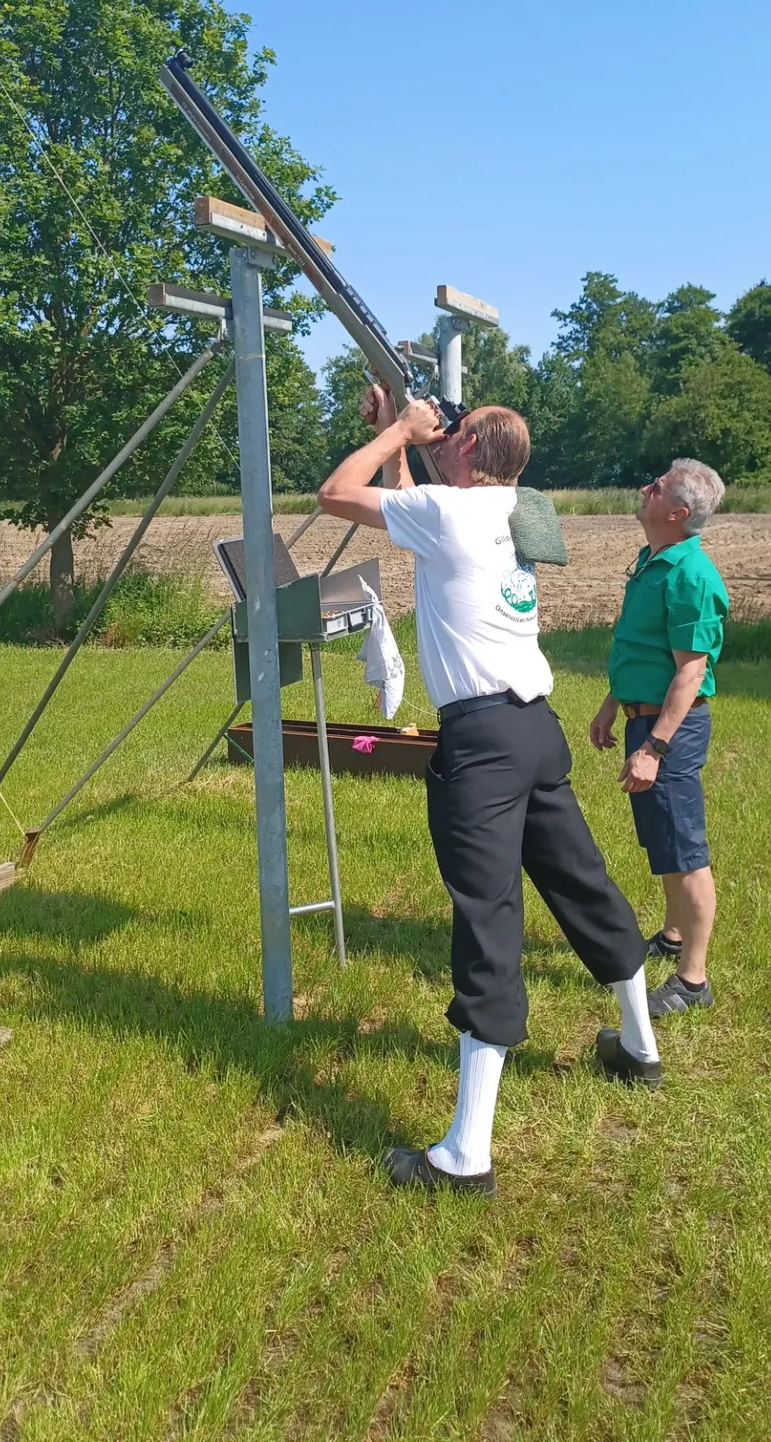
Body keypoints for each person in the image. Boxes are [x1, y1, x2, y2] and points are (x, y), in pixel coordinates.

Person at [319, 388, 660, 1198]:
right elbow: (412, 503)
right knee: (583, 882)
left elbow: (336, 494)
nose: (444, 437)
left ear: (470, 452)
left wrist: (399, 430)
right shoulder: (508, 510)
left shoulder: (452, 512)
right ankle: (640, 1048)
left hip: (482, 743)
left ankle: (466, 1153)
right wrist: (398, 437)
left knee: (486, 920)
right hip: (535, 728)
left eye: (453, 433)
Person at [589, 459, 729, 1018]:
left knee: (686, 849)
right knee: (663, 840)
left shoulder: (692, 576)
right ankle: (673, 936)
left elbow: (689, 673)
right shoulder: (653, 562)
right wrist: (611, 704)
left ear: (678, 512)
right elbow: (641, 649)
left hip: (670, 729)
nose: (645, 488)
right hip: (642, 719)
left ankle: (693, 980)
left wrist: (655, 748)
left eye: (659, 486)